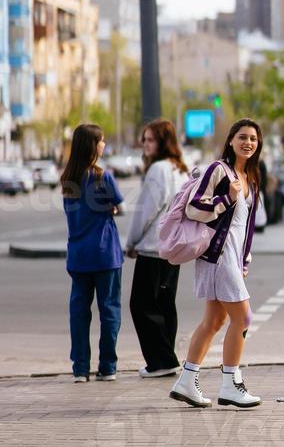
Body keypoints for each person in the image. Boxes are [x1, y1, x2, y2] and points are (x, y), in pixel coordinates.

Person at [169, 118, 263, 409]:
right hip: (217, 256)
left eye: (253, 139)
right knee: (243, 319)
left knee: (214, 321)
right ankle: (230, 384)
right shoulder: (218, 170)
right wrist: (226, 198)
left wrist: (245, 258)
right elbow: (194, 207)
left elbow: (245, 227)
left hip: (232, 257)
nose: (248, 142)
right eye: (242, 137)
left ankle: (186, 381)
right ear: (231, 140)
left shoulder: (250, 177)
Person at [126, 119, 188, 380]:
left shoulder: (157, 170)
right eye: (144, 140)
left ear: (163, 142)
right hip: (173, 248)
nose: (145, 145)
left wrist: (131, 242)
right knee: (165, 304)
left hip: (153, 247)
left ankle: (161, 361)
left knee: (141, 304)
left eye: (150, 139)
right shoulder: (180, 169)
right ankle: (166, 358)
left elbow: (145, 212)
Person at [61, 123, 124, 382]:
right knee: (109, 310)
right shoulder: (102, 176)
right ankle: (107, 366)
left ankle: (80, 368)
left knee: (79, 311)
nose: (104, 145)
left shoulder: (68, 178)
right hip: (105, 252)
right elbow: (118, 205)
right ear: (92, 146)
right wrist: (111, 210)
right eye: (101, 141)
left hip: (78, 253)